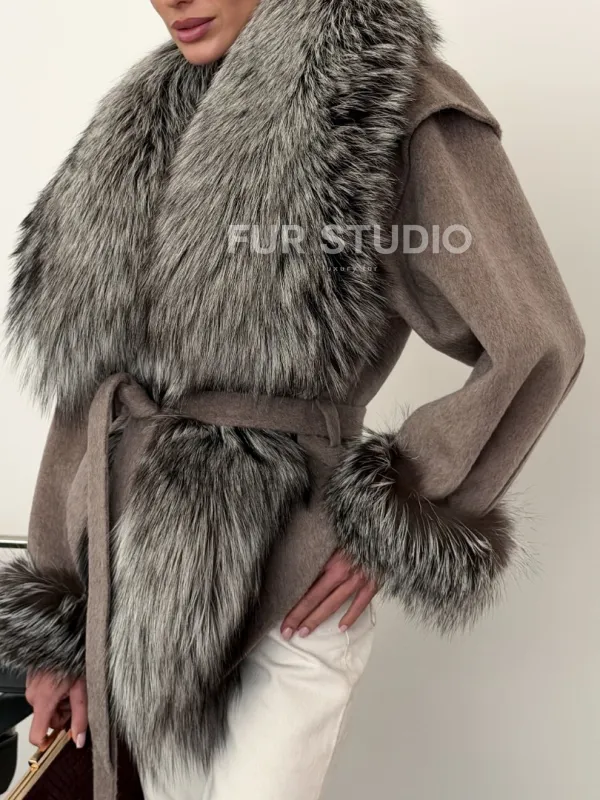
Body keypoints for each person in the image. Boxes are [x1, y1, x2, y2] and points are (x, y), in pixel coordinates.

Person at [0, 0, 585, 798]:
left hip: (296, 577)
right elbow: (89, 395)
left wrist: (404, 506)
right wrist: (63, 621)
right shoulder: (130, 132)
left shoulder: (380, 95)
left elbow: (536, 338)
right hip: (137, 600)